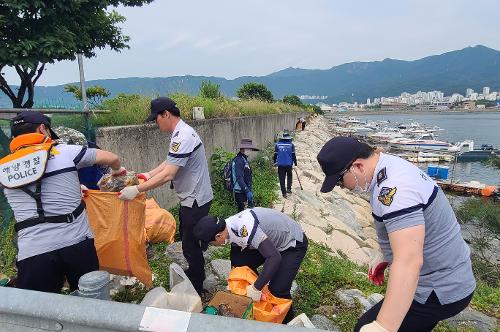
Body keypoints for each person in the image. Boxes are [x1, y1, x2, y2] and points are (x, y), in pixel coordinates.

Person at [317, 137, 476, 332]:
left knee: (365, 326)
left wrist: (383, 326)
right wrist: (386, 255)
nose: (344, 188)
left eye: (340, 181)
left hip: (439, 288)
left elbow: (409, 261)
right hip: (448, 276)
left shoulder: (394, 190)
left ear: (357, 166)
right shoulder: (388, 165)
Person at [0, 111, 125, 293]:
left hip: (33, 251)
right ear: (43, 129)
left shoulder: (4, 167)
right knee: (90, 301)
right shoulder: (65, 152)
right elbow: (112, 158)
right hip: (77, 244)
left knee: (39, 312)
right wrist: (117, 171)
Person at [118, 97, 213, 295]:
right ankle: (196, 272)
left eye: (156, 119)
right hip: (193, 197)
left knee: (190, 244)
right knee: (191, 240)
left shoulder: (182, 136)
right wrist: (149, 175)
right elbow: (169, 162)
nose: (156, 123)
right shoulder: (180, 133)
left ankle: (197, 283)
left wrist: (137, 190)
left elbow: (170, 173)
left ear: (166, 114)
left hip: (195, 199)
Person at [193, 207, 308, 323]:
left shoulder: (245, 228)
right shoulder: (228, 227)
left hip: (292, 243)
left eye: (211, 243)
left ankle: (286, 320)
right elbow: (236, 258)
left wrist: (256, 288)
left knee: (278, 289)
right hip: (270, 242)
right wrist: (233, 281)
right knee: (240, 264)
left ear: (218, 236)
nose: (213, 245)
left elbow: (274, 258)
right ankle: (261, 298)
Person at [232, 138, 259, 212]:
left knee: (247, 212)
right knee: (242, 213)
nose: (250, 151)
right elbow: (239, 178)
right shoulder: (239, 160)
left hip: (244, 190)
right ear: (243, 149)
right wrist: (247, 191)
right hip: (240, 192)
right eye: (249, 149)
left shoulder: (244, 159)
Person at [274, 132, 297, 198]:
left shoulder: (277, 145)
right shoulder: (291, 145)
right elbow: (293, 155)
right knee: (289, 176)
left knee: (282, 178)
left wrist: (274, 162)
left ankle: (284, 193)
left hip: (280, 164)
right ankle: (289, 189)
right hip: (289, 164)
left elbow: (275, 155)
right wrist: (295, 163)